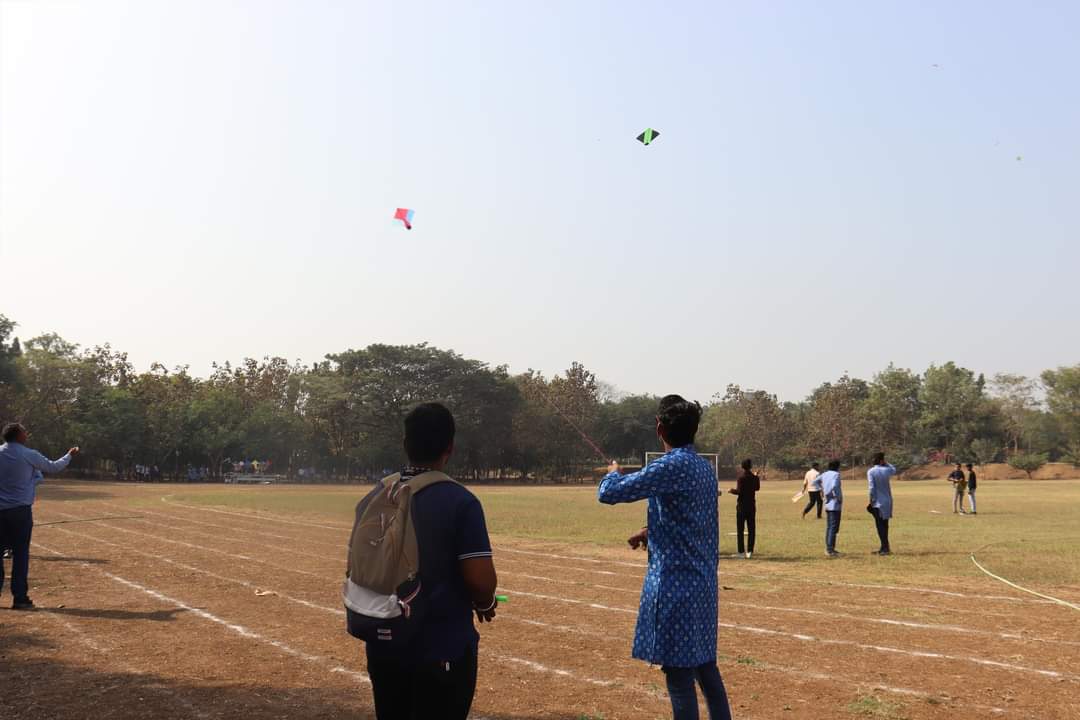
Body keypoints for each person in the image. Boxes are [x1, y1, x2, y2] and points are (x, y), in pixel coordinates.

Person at [355, 403, 497, 720]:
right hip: (441, 649)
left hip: (384, 646)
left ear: (406, 444)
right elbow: (480, 581)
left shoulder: (377, 495)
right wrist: (485, 602)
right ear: (450, 448)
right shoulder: (460, 501)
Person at [599, 395, 732, 720]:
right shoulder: (703, 467)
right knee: (705, 668)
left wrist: (612, 472)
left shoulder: (670, 465)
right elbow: (691, 518)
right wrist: (649, 531)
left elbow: (609, 493)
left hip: (675, 587)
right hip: (702, 586)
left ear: (659, 428)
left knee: (678, 677)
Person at [0, 422, 79, 610]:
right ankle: (20, 598)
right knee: (21, 555)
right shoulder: (29, 454)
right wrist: (69, 455)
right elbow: (53, 467)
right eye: (24, 432)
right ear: (19, 435)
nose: (26, 434)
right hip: (20, 512)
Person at [728, 458, 760, 558]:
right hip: (751, 505)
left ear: (742, 467)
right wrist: (756, 476)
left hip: (742, 506)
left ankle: (741, 552)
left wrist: (731, 490)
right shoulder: (754, 477)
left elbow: (739, 491)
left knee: (740, 529)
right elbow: (757, 488)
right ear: (750, 466)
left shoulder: (741, 478)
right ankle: (750, 551)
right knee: (751, 529)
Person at [867, 453, 896, 556]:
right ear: (881, 461)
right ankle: (884, 547)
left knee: (880, 526)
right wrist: (886, 463)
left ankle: (885, 548)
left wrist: (871, 500)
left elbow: (871, 488)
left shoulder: (871, 471)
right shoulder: (886, 470)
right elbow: (894, 470)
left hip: (877, 502)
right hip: (887, 501)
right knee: (885, 525)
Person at [820, 459, 843, 557]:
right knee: (834, 527)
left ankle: (829, 548)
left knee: (830, 527)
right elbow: (834, 486)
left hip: (827, 504)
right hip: (834, 504)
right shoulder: (836, 474)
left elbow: (815, 482)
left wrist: (823, 490)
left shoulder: (824, 474)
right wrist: (838, 497)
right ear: (837, 467)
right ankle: (830, 549)